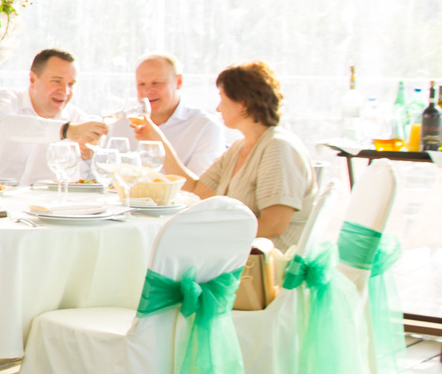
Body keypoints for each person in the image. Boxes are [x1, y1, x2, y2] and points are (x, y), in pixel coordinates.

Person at [150, 60, 313, 249]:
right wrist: (156, 139)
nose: (218, 108)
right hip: (235, 252)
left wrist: (212, 232)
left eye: (222, 97)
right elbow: (196, 190)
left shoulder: (278, 148)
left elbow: (274, 225)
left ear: (242, 104)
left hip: (263, 264)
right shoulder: (239, 147)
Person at [0, 48, 108, 187]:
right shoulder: (2, 99)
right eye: (57, 81)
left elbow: (89, 182)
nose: (65, 91)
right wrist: (65, 130)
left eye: (71, 84)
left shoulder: (78, 119)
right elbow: (4, 126)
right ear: (33, 79)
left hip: (42, 206)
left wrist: (87, 157)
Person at [125, 53, 228, 179]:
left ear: (178, 82)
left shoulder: (205, 127)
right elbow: (101, 177)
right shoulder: (121, 122)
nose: (147, 91)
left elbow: (200, 190)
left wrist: (158, 142)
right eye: (141, 84)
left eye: (156, 83)